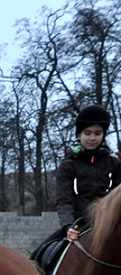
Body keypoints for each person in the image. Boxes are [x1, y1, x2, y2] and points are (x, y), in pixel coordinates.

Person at [33, 104, 121, 263]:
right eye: (87, 133)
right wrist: (68, 227)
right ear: (78, 135)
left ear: (103, 135)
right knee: (39, 255)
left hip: (108, 226)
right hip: (79, 224)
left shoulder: (114, 165)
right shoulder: (68, 166)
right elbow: (64, 200)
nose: (92, 138)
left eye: (97, 133)